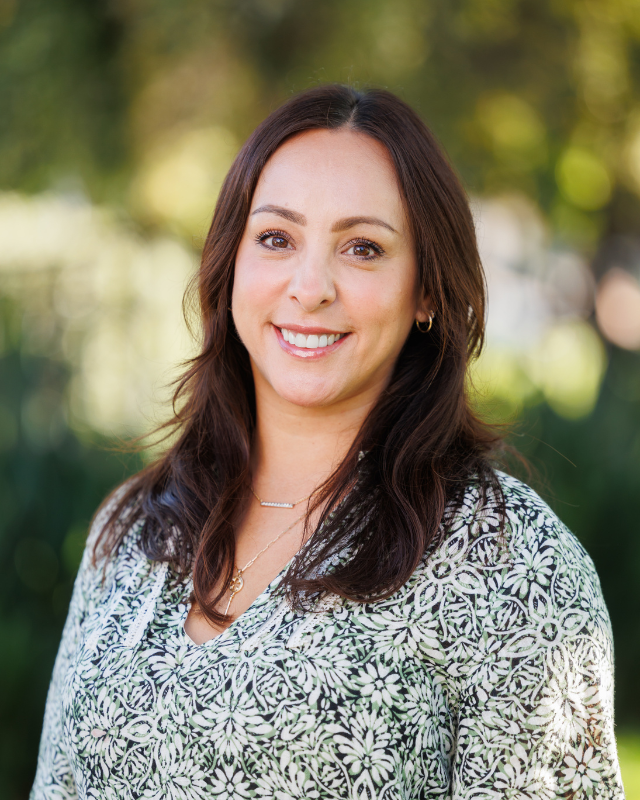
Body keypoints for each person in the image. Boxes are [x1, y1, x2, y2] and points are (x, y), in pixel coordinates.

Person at [31, 84, 623, 799]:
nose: (310, 287)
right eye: (276, 239)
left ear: (427, 291)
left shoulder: (512, 565)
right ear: (231, 266)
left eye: (363, 248)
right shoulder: (133, 526)